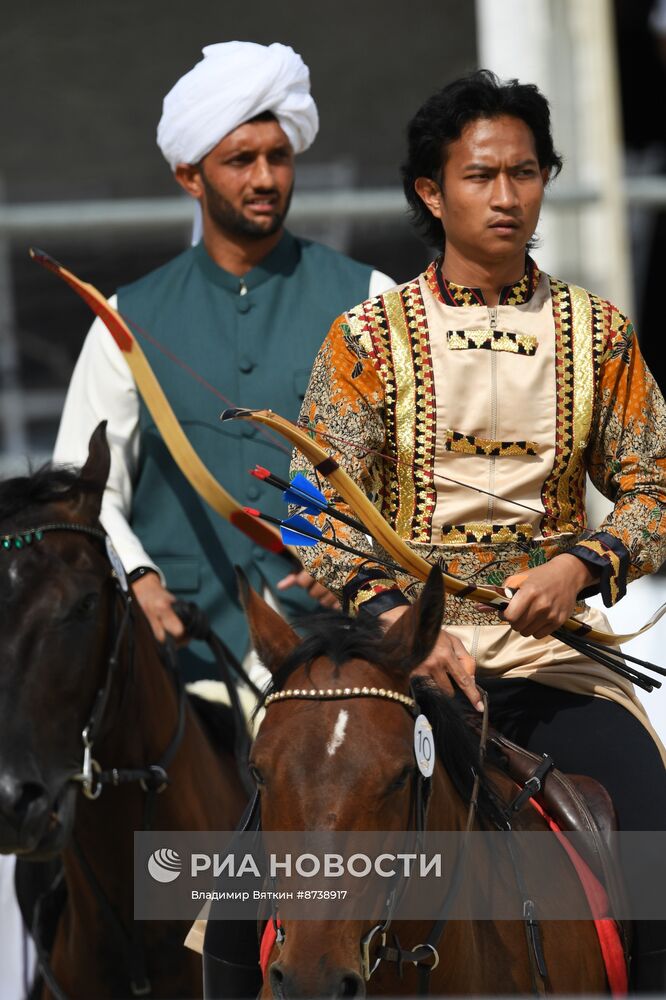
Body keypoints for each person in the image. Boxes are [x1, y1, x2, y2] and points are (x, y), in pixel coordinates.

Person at [292, 71, 666, 992]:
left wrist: (583, 565)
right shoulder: (365, 340)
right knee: (237, 900)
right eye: (481, 175)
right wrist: (398, 627)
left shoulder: (601, 333)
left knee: (658, 848)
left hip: (555, 662)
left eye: (527, 172)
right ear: (431, 191)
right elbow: (313, 514)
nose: (508, 197)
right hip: (397, 665)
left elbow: (655, 488)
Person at [53, 41, 393, 681]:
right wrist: (140, 578)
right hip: (180, 656)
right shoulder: (127, 318)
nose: (265, 178)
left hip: (338, 659)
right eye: (241, 161)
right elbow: (83, 486)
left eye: (279, 158)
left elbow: (423, 476)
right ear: (190, 175)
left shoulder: (371, 300)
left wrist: (364, 562)